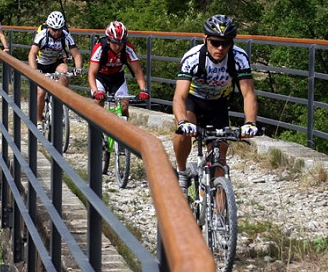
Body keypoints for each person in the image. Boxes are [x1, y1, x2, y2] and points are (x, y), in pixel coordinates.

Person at [171, 15, 259, 194]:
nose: (220, 48)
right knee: (183, 132)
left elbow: (248, 93)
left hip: (218, 103)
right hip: (193, 100)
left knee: (220, 156)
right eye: (215, 42)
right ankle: (181, 171)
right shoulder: (193, 58)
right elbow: (179, 97)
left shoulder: (239, 58)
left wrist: (250, 122)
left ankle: (221, 215)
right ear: (205, 39)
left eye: (226, 43)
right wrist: (182, 122)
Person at [28, 11, 83, 132]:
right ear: (48, 27)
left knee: (64, 72)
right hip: (41, 64)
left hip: (55, 62)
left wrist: (78, 68)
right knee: (41, 93)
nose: (57, 32)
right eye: (54, 29)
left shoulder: (65, 36)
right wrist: (35, 71)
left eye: (59, 29)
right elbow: (32, 54)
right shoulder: (42, 35)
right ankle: (38, 120)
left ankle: (61, 102)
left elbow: (76, 54)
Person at [88, 21, 150, 117]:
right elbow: (92, 73)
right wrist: (96, 91)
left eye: (121, 44)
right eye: (115, 43)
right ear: (108, 40)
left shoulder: (128, 48)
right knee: (98, 102)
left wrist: (143, 90)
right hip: (100, 77)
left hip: (117, 77)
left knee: (124, 105)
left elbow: (138, 71)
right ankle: (96, 129)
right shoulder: (100, 48)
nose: (118, 47)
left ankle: (123, 129)